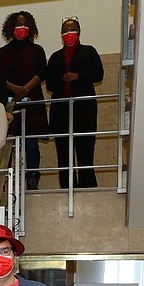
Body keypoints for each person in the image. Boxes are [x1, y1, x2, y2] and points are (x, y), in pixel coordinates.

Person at [46, 16, 104, 189]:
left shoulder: (89, 51)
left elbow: (98, 74)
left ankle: (88, 187)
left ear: (79, 32)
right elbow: (49, 84)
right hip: (61, 111)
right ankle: (67, 188)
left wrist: (78, 76)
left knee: (85, 150)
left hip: (84, 109)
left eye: (72, 29)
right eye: (65, 30)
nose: (68, 33)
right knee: (64, 153)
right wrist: (63, 79)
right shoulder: (55, 57)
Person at [0, 10, 48, 191]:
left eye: (25, 24)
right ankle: (8, 182)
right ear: (11, 28)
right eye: (18, 24)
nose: (21, 28)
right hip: (9, 105)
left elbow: (42, 73)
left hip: (32, 103)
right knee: (8, 143)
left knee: (31, 143)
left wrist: (24, 89)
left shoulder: (37, 50)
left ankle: (32, 178)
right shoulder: (1, 53)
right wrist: (15, 90)